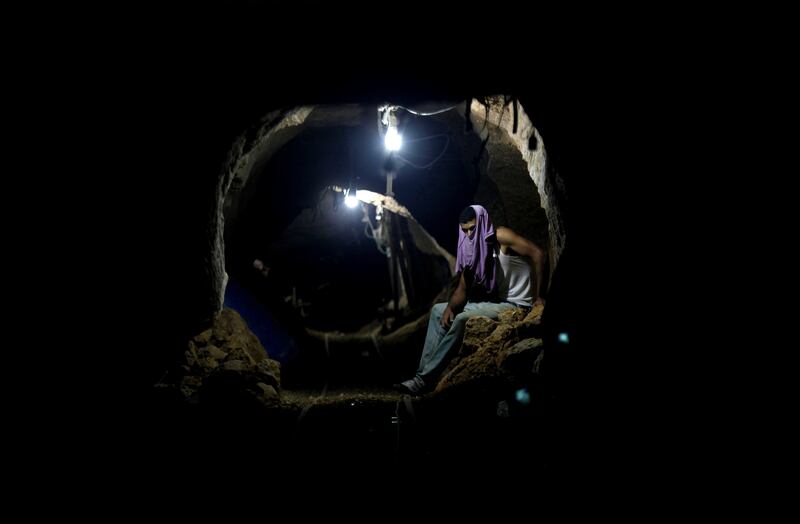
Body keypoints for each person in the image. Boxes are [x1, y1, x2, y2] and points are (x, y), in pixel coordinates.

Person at [394, 204, 546, 395]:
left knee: (461, 319)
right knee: (438, 311)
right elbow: (462, 289)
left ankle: (423, 380)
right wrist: (450, 307)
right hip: (500, 302)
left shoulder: (501, 236)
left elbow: (539, 254)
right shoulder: (472, 250)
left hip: (518, 305)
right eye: (464, 230)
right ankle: (422, 378)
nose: (468, 234)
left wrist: (540, 296)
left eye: (472, 229)